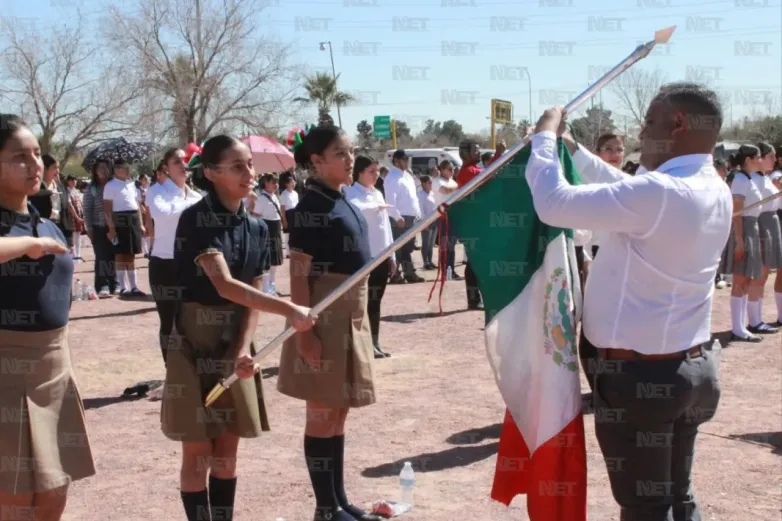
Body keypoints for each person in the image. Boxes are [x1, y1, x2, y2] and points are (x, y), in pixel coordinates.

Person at [534, 83, 728, 521]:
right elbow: (623, 187)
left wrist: (544, 140)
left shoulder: (661, 193)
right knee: (678, 497)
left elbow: (552, 203)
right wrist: (572, 148)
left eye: (648, 121)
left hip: (642, 378)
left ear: (677, 125)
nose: (640, 133)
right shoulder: (705, 184)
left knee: (646, 508)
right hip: (689, 369)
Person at [161, 134, 315, 521]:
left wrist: (243, 349)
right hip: (195, 339)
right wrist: (289, 308)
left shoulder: (259, 228)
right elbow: (224, 284)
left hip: (236, 337)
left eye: (250, 164)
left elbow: (254, 291)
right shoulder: (196, 219)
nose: (249, 173)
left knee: (227, 451)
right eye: (237, 166)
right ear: (211, 173)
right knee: (198, 451)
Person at [277, 125, 381, 521]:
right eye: (340, 153)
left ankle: (339, 500)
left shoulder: (343, 199)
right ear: (316, 161)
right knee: (321, 414)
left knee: (339, 412)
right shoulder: (309, 208)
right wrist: (304, 334)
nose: (350, 159)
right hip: (322, 318)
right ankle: (325, 508)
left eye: (351, 151)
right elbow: (300, 275)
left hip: (350, 317)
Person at [0, 113, 95, 520]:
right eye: (19, 156)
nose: (34, 164)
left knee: (55, 489)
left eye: (37, 154)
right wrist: (27, 244)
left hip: (54, 366)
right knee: (15, 497)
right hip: (7, 368)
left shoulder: (48, 225)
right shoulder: (33, 235)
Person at [147, 148, 202, 366]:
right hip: (164, 265)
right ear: (166, 168)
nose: (182, 165)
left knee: (191, 320)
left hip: (190, 265)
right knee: (169, 321)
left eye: (185, 160)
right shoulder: (156, 191)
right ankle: (171, 371)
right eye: (176, 161)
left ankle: (189, 370)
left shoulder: (197, 196)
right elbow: (162, 214)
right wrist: (192, 206)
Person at [346, 154, 400, 360]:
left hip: (381, 256)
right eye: (372, 171)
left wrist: (392, 255)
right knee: (360, 304)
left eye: (377, 171)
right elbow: (355, 212)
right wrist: (373, 208)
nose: (376, 175)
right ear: (360, 173)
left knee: (375, 302)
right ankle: (361, 344)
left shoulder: (377, 193)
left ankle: (374, 342)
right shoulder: (350, 194)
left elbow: (386, 226)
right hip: (362, 258)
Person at [728, 145, 766, 342]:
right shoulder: (741, 180)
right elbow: (737, 212)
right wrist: (739, 239)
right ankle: (737, 328)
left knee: (747, 279)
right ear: (749, 159)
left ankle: (740, 326)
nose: (761, 160)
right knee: (740, 279)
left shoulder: (748, 179)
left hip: (751, 228)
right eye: (758, 157)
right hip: (744, 228)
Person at [750, 142, 782, 330]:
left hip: (771, 222)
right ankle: (755, 321)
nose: (774, 159)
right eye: (770, 156)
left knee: (764, 271)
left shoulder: (763, 178)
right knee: (760, 273)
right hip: (762, 222)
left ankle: (758, 320)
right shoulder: (753, 179)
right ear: (760, 158)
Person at [103, 158, 146, 297]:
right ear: (115, 170)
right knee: (120, 254)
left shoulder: (133, 185)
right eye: (121, 168)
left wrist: (141, 224)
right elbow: (107, 208)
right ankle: (123, 287)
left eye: (126, 168)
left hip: (133, 219)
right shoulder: (110, 185)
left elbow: (138, 206)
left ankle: (134, 286)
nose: (124, 171)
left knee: (131, 254)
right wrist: (111, 227)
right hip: (119, 219)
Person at [384, 150, 424, 284]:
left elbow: (414, 196)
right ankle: (395, 274)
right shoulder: (392, 177)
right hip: (400, 217)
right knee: (398, 249)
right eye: (404, 159)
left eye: (407, 159)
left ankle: (408, 273)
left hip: (411, 216)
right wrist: (396, 216)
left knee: (407, 248)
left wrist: (418, 214)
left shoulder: (407, 176)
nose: (407, 162)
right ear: (396, 161)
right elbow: (390, 200)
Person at [82, 159, 118, 297]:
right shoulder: (92, 188)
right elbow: (87, 211)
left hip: (115, 227)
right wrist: (90, 230)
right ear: (95, 172)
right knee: (102, 257)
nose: (102, 171)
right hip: (99, 227)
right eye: (99, 168)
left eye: (105, 168)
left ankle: (115, 283)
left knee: (114, 256)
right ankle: (102, 285)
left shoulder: (114, 185)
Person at [456, 139, 484, 310]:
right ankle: (473, 299)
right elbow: (487, 177)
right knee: (474, 263)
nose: (479, 152)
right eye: (476, 150)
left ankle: (476, 297)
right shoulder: (467, 172)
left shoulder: (473, 170)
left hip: (478, 222)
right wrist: (498, 155)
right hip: (473, 224)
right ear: (466, 153)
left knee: (476, 262)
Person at [251, 173, 285, 296]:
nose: (276, 185)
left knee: (275, 260)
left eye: (277, 182)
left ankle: (272, 285)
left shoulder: (275, 197)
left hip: (276, 230)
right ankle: (266, 288)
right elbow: (256, 216)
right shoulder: (261, 199)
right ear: (266, 183)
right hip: (267, 230)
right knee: (267, 260)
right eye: (273, 182)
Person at [432, 159, 461, 279]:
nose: (452, 171)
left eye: (453, 169)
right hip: (443, 216)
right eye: (449, 169)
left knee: (451, 245)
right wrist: (460, 186)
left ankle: (450, 270)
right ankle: (445, 271)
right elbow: (444, 190)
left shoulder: (453, 181)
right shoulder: (437, 181)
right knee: (445, 245)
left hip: (453, 214)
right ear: (442, 170)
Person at [417, 174, 437, 270]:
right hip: (426, 221)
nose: (431, 184)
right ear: (423, 184)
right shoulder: (420, 195)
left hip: (434, 220)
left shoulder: (432, 193)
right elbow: (420, 210)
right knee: (426, 243)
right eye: (429, 182)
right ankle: (425, 262)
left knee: (431, 243)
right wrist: (424, 223)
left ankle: (430, 260)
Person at [65, 174, 86, 262]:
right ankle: (73, 256)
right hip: (72, 216)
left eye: (75, 180)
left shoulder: (76, 191)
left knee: (78, 235)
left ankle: (78, 254)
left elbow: (81, 204)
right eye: (71, 180)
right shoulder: (67, 191)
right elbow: (70, 205)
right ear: (68, 182)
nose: (74, 182)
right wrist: (76, 217)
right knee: (73, 236)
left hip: (79, 214)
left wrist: (83, 215)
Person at [280, 172, 299, 258]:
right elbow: (282, 208)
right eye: (291, 182)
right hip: (288, 214)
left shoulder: (295, 193)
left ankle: (294, 249)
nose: (293, 184)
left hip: (295, 213)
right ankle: (288, 252)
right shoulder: (284, 194)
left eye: (294, 182)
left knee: (295, 233)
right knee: (287, 234)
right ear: (287, 184)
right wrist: (284, 220)